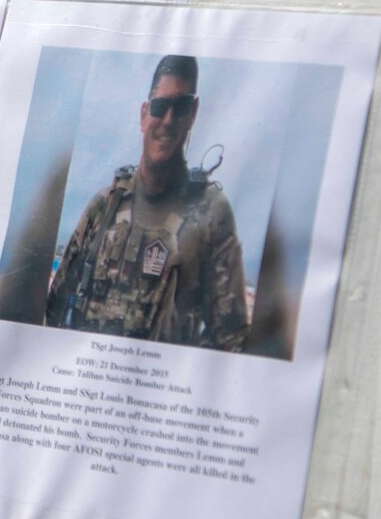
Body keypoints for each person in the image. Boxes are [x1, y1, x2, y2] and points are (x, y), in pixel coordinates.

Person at [46, 54, 247, 351]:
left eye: (179, 108)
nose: (167, 120)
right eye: (160, 107)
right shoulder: (104, 207)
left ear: (193, 113)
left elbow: (231, 340)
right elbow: (55, 307)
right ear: (144, 115)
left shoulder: (211, 215)